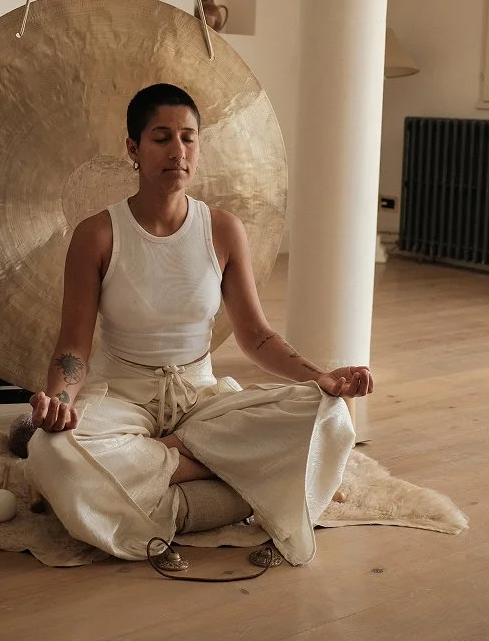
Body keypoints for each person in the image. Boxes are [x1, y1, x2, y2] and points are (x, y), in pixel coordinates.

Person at [22, 83, 371, 565]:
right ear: (133, 148)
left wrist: (321, 379)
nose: (177, 151)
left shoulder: (223, 229)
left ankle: (160, 487)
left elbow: (257, 336)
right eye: (161, 138)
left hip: (200, 402)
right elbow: (74, 347)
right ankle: (224, 487)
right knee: (49, 449)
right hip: (123, 396)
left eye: (188, 138)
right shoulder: (97, 234)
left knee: (328, 416)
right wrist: (59, 403)